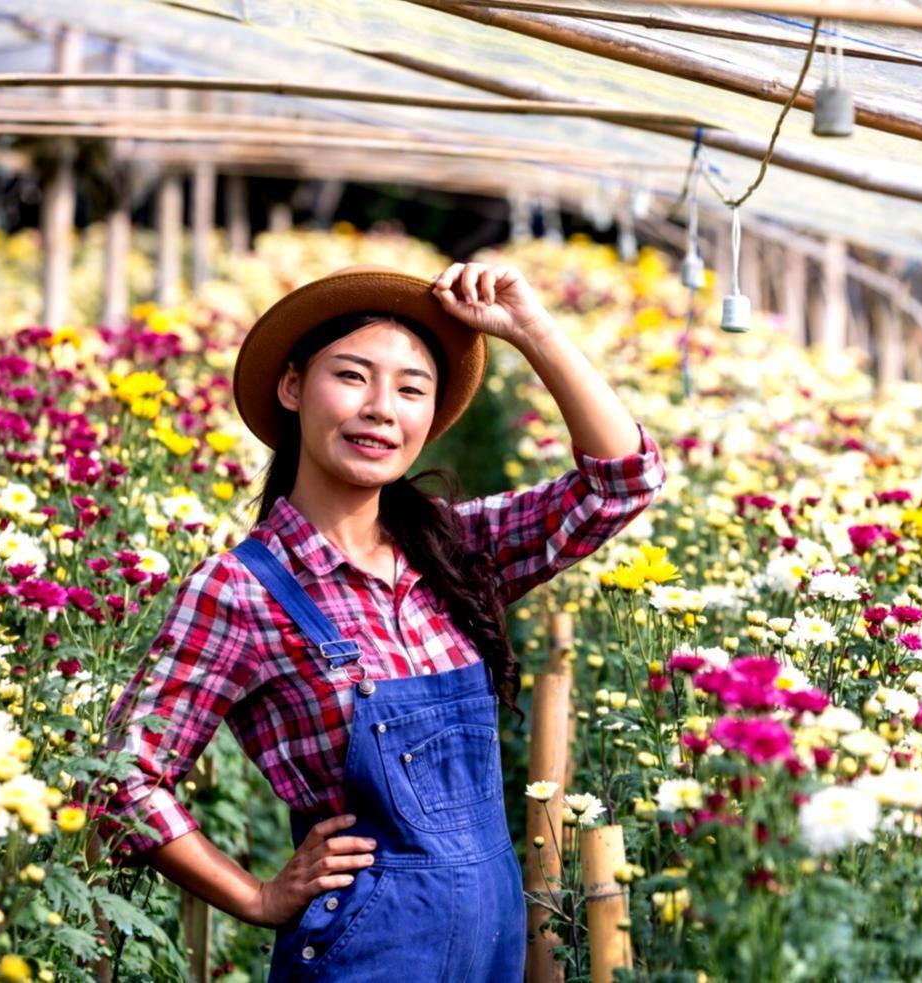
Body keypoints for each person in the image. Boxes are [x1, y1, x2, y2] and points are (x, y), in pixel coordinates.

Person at [96, 261, 666, 981]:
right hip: (363, 959)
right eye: (352, 376)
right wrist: (256, 897)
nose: (381, 408)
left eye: (411, 388)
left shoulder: (453, 551)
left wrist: (532, 329)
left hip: (490, 953)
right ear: (293, 386)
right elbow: (121, 781)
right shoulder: (241, 591)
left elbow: (623, 482)